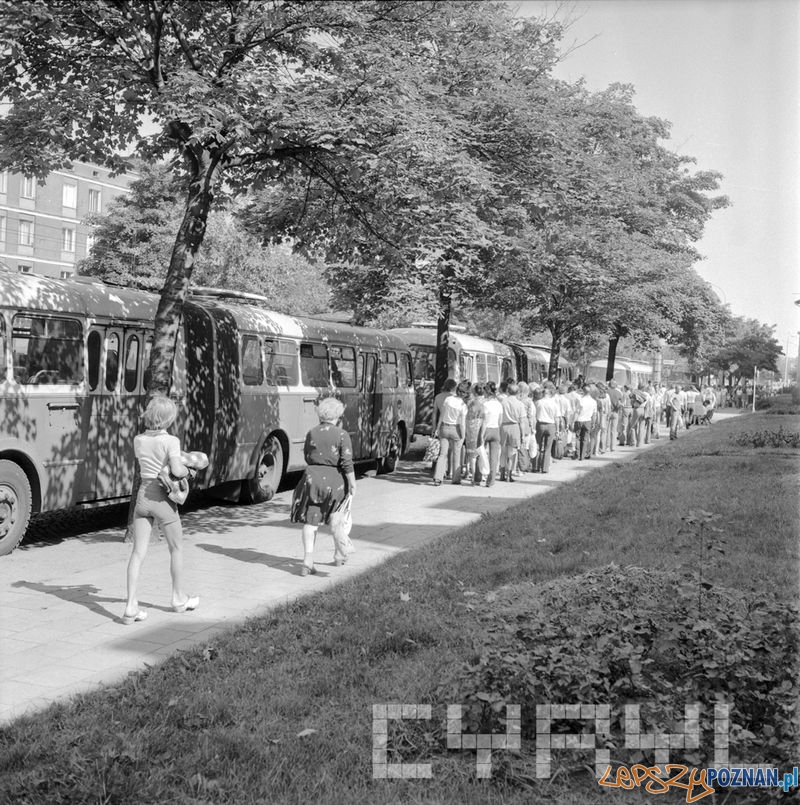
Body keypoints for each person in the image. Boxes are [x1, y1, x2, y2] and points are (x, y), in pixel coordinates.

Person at [123, 394, 197, 625]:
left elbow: (147, 464)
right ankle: (178, 598)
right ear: (168, 419)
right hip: (163, 500)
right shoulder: (171, 441)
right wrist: (189, 469)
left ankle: (130, 607)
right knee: (176, 549)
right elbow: (176, 469)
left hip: (143, 498)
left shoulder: (138, 439)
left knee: (137, 553)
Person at [290, 396, 356, 574]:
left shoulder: (311, 432)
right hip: (335, 481)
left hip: (312, 479)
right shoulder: (342, 435)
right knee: (337, 519)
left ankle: (307, 560)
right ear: (338, 415)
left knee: (311, 520)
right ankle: (339, 555)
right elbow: (347, 462)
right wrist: (352, 483)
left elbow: (307, 455)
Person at [433, 379, 469, 486]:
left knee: (442, 454)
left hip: (444, 427)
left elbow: (442, 415)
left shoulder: (448, 399)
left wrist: (437, 428)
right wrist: (463, 436)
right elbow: (462, 423)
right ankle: (456, 479)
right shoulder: (463, 406)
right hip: (456, 429)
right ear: (465, 394)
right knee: (456, 454)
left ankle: (438, 477)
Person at [499, 381, 527, 481]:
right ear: (518, 392)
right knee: (512, 452)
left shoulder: (503, 402)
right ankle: (509, 475)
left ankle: (502, 473)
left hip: (504, 426)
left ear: (508, 391)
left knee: (503, 451)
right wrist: (523, 435)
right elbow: (522, 421)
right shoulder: (520, 404)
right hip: (515, 427)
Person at [534, 383, 560, 473]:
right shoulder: (554, 404)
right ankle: (545, 468)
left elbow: (535, 414)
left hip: (540, 424)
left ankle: (536, 466)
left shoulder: (538, 402)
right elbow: (557, 418)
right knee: (547, 448)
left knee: (538, 445)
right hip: (551, 425)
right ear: (550, 394)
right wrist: (558, 429)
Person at [463, 383, 486, 484]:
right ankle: (481, 475)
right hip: (481, 429)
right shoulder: (485, 402)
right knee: (481, 453)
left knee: (471, 455)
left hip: (471, 430)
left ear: (474, 392)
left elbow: (466, 417)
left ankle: (471, 475)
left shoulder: (470, 403)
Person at [482, 381, 503, 486]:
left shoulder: (485, 404)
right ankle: (491, 480)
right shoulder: (499, 404)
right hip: (496, 430)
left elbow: (484, 421)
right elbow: (500, 421)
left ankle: (479, 476)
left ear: (486, 392)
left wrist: (481, 434)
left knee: (481, 453)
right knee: (493, 457)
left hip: (486, 429)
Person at [574, 385, 598, 460]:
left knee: (578, 437)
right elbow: (594, 414)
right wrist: (593, 423)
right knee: (585, 438)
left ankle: (577, 454)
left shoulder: (581, 400)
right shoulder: (593, 401)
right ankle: (582, 455)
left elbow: (577, 412)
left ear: (583, 391)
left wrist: (573, 421)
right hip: (588, 420)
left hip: (579, 420)